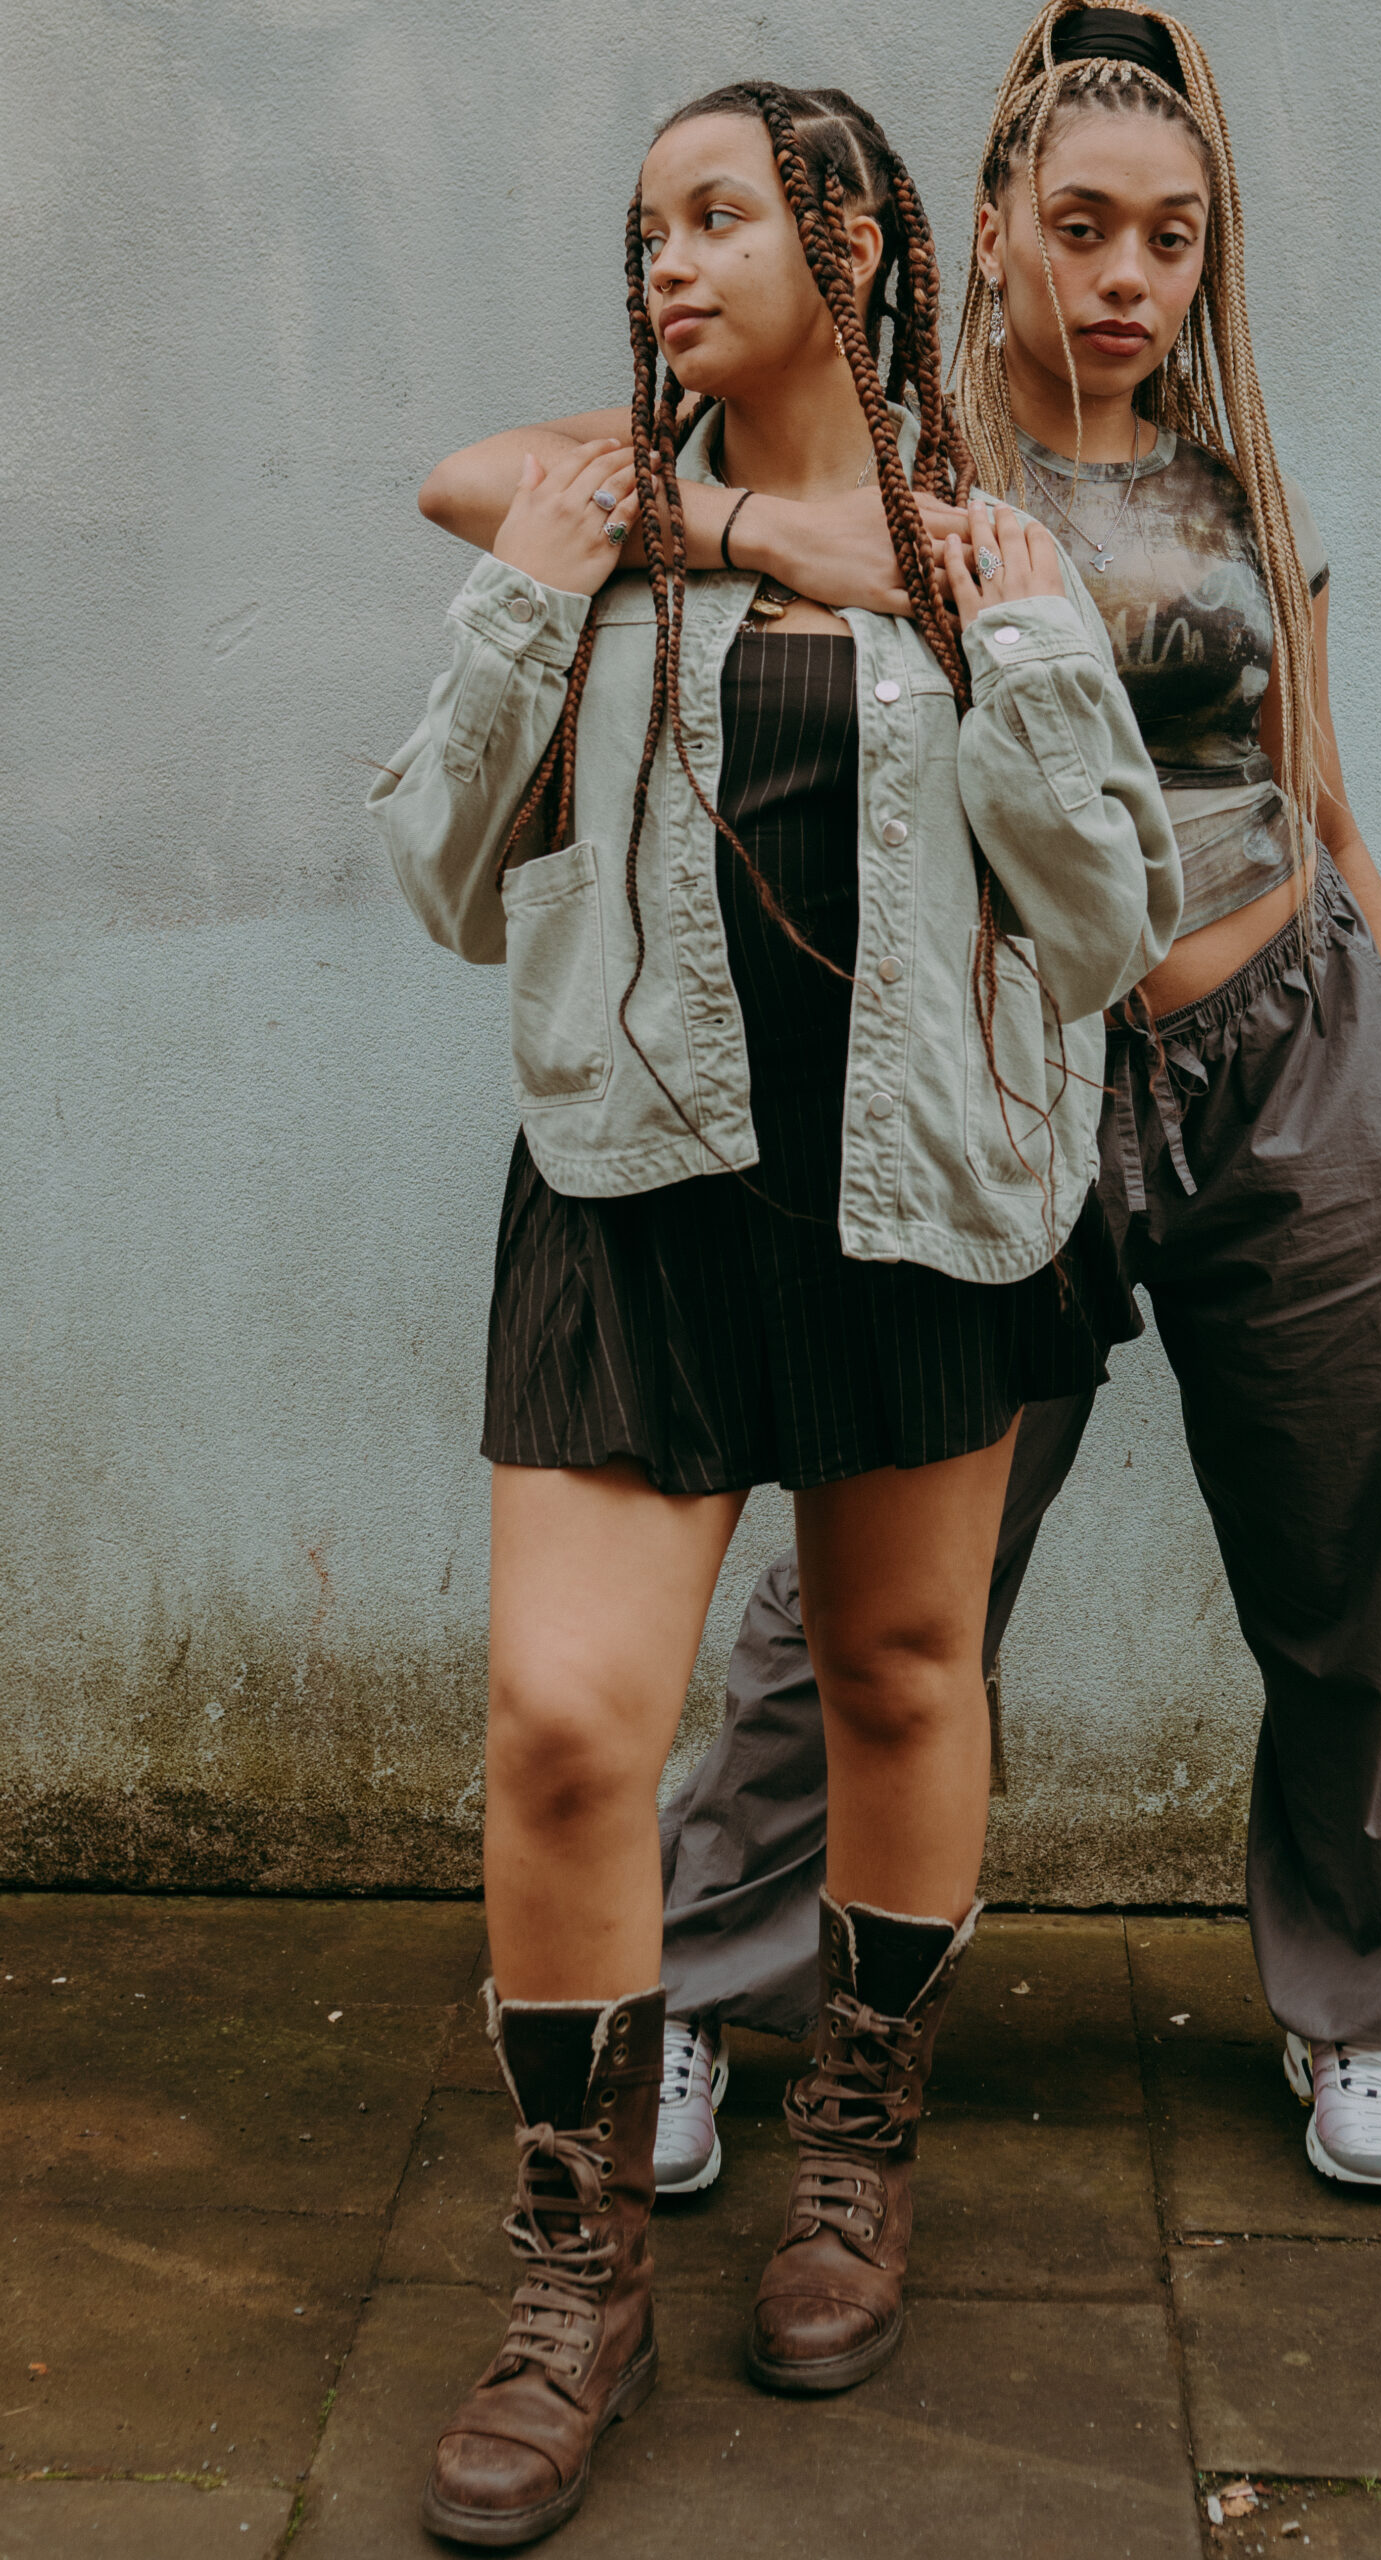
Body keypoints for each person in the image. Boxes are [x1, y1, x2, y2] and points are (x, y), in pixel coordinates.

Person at [418, 0, 1381, 2217]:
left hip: (1295, 1043)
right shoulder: (904, 454)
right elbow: (485, 479)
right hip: (1014, 1059)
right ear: (988, 226)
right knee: (883, 1595)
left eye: (1174, 238)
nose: (1128, 276)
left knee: (1357, 1538)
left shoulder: (1237, 486)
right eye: (1083, 226)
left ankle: (1360, 2003)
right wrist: (784, 533)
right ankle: (715, 1975)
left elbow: (1320, 792)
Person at [371, 77, 1177, 2548]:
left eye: (717, 216)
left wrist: (993, 634)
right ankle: (572, 2261)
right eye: (647, 228)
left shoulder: (987, 551)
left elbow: (1107, 922)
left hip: (926, 1188)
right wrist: (581, 576)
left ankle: (854, 2136)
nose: (667, 263)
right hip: (636, 1194)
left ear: (859, 244)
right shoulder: (587, 517)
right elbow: (442, 877)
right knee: (561, 1722)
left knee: (900, 1676)